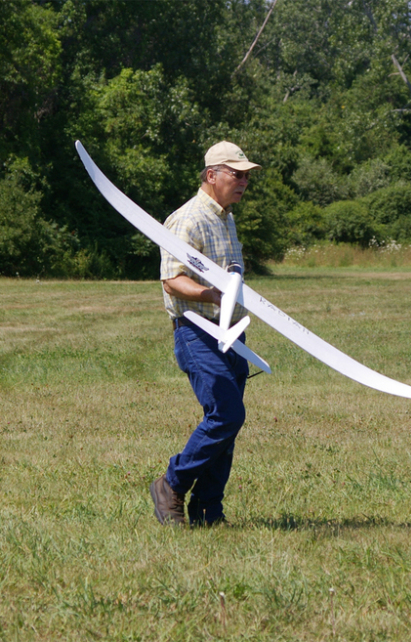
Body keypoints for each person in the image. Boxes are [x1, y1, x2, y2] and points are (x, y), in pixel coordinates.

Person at [150, 141, 261, 527]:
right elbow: (171, 280)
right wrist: (211, 294)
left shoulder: (226, 217)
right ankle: (171, 484)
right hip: (197, 331)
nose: (244, 181)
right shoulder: (188, 219)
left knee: (225, 423)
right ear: (212, 175)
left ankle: (207, 510)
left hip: (231, 332)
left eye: (247, 175)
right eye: (237, 174)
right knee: (226, 414)